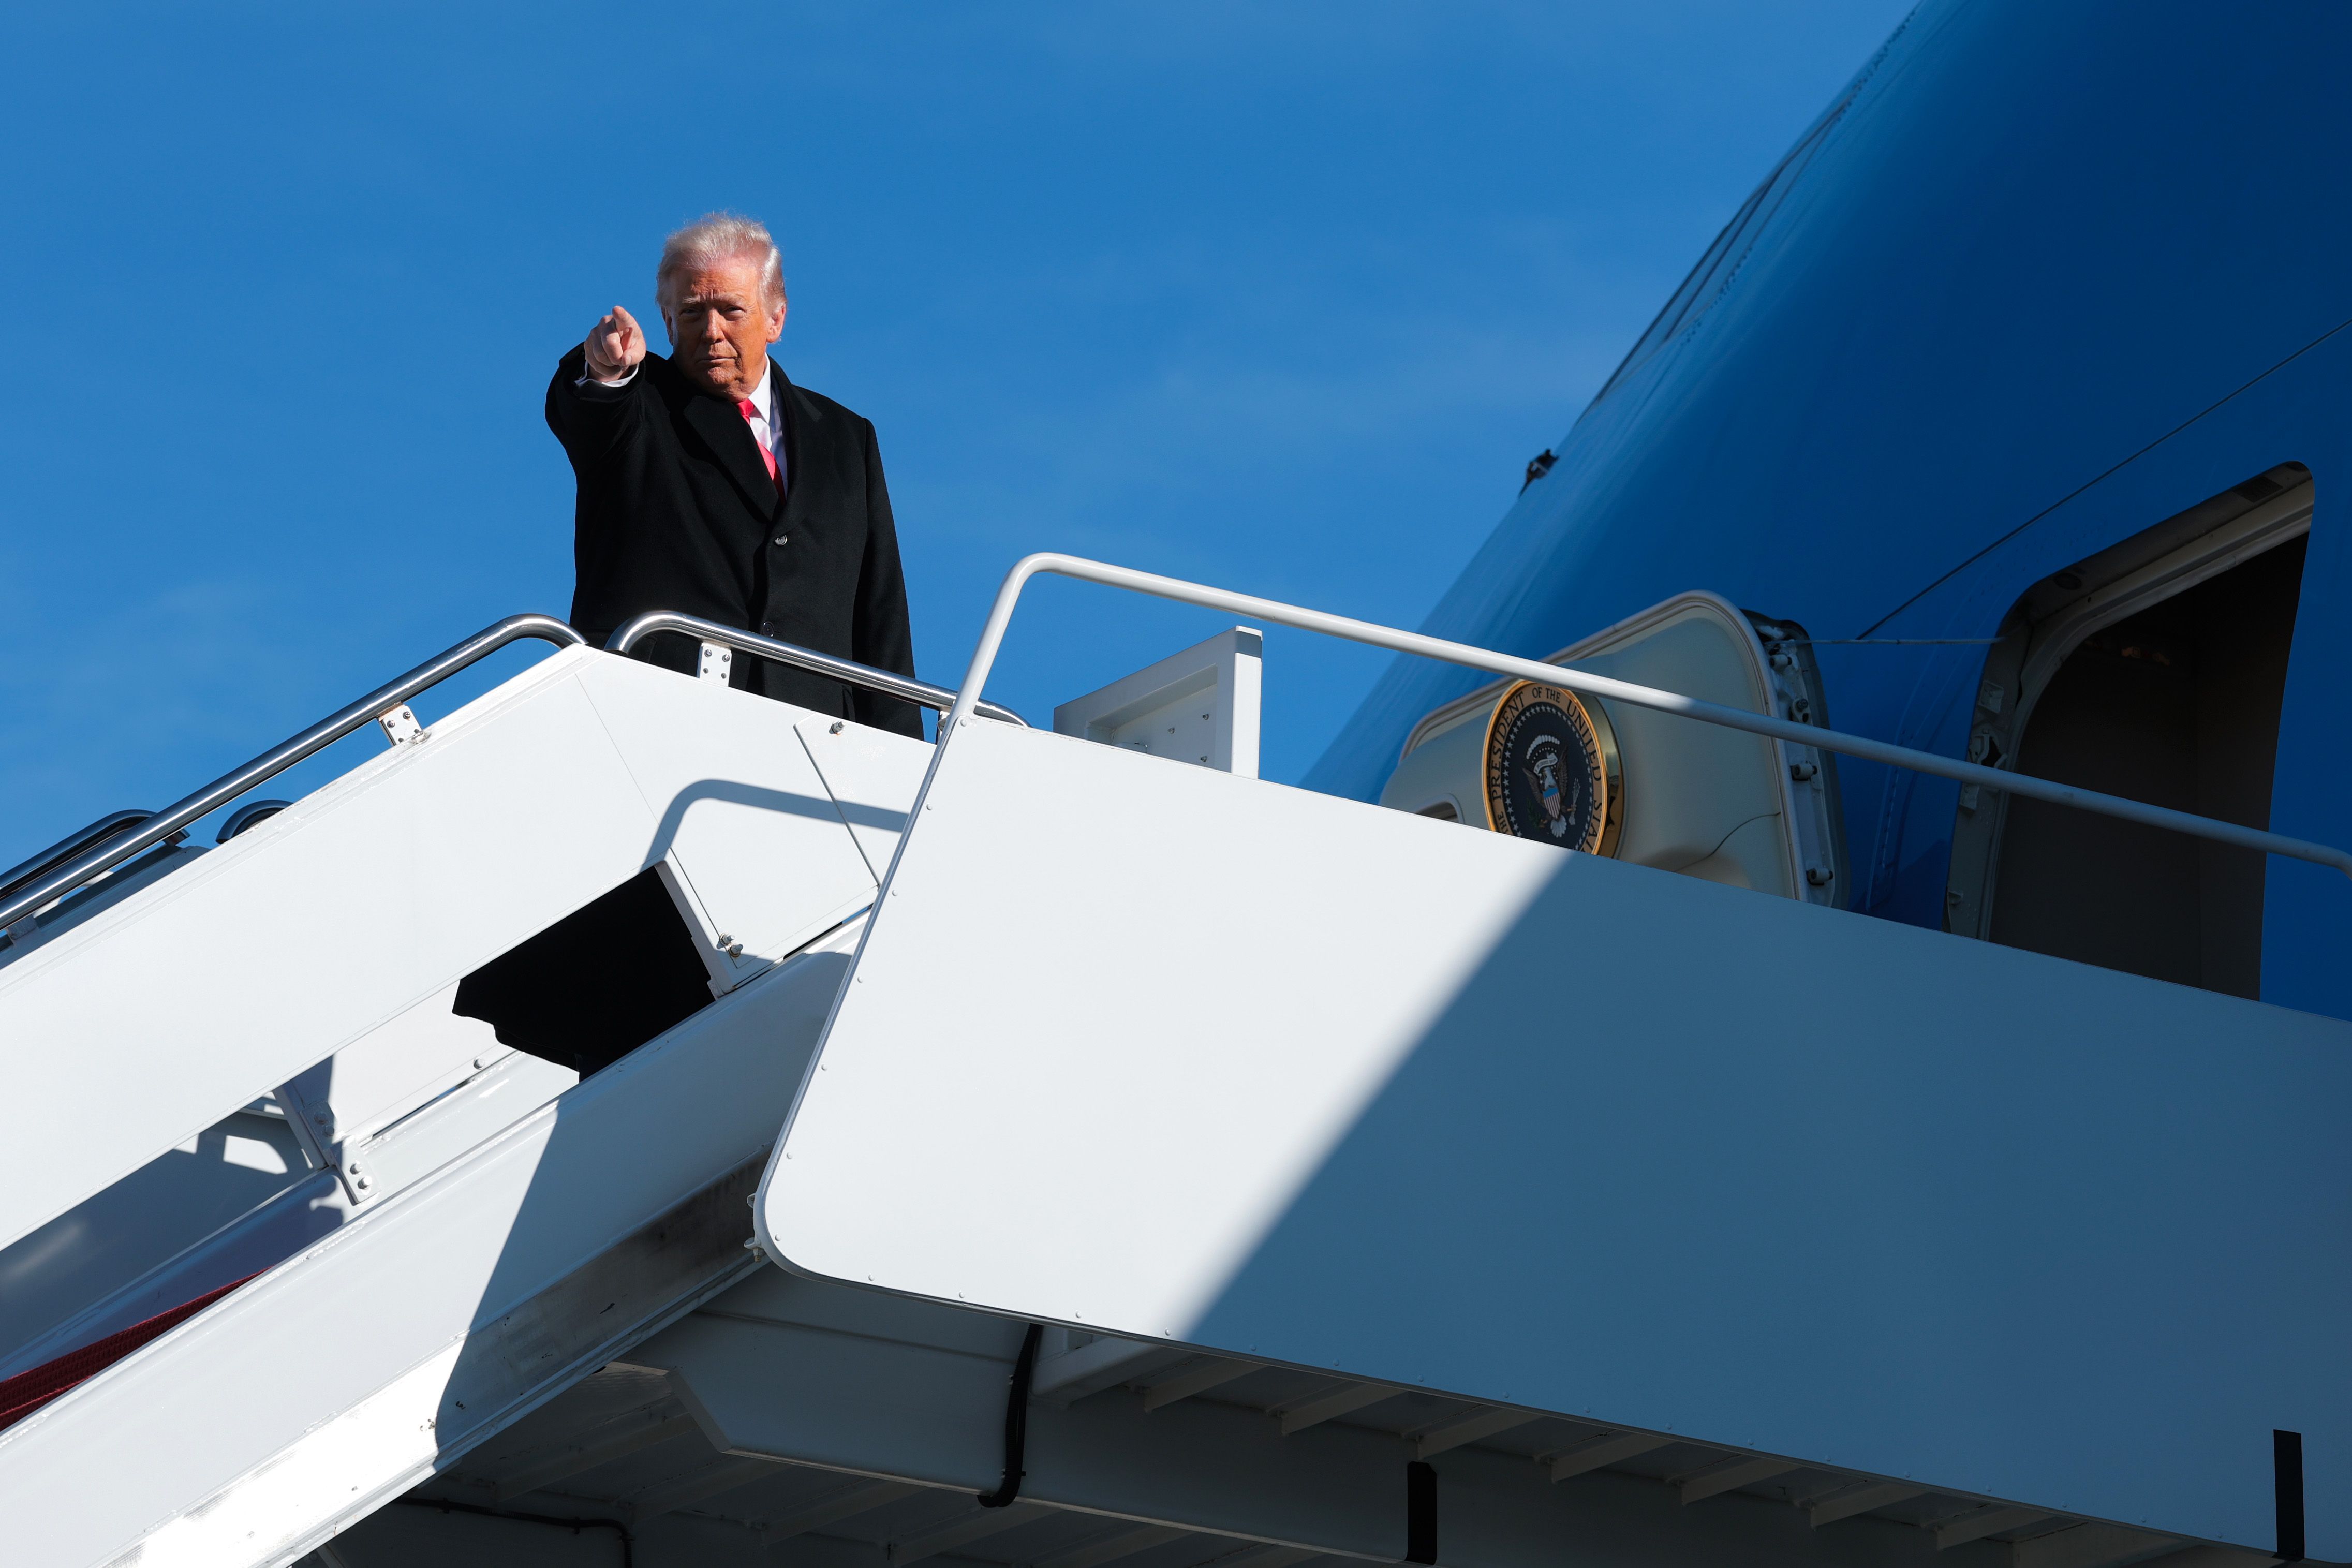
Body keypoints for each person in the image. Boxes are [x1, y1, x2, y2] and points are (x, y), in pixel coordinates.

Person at [546, 213, 923, 736]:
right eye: (692, 311)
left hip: (820, 743)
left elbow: (880, 613)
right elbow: (588, 411)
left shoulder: (845, 437)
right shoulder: (639, 402)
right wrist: (605, 369)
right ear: (667, 319)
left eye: (731, 309)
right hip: (654, 719)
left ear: (776, 319)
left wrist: (902, 758)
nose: (711, 330)